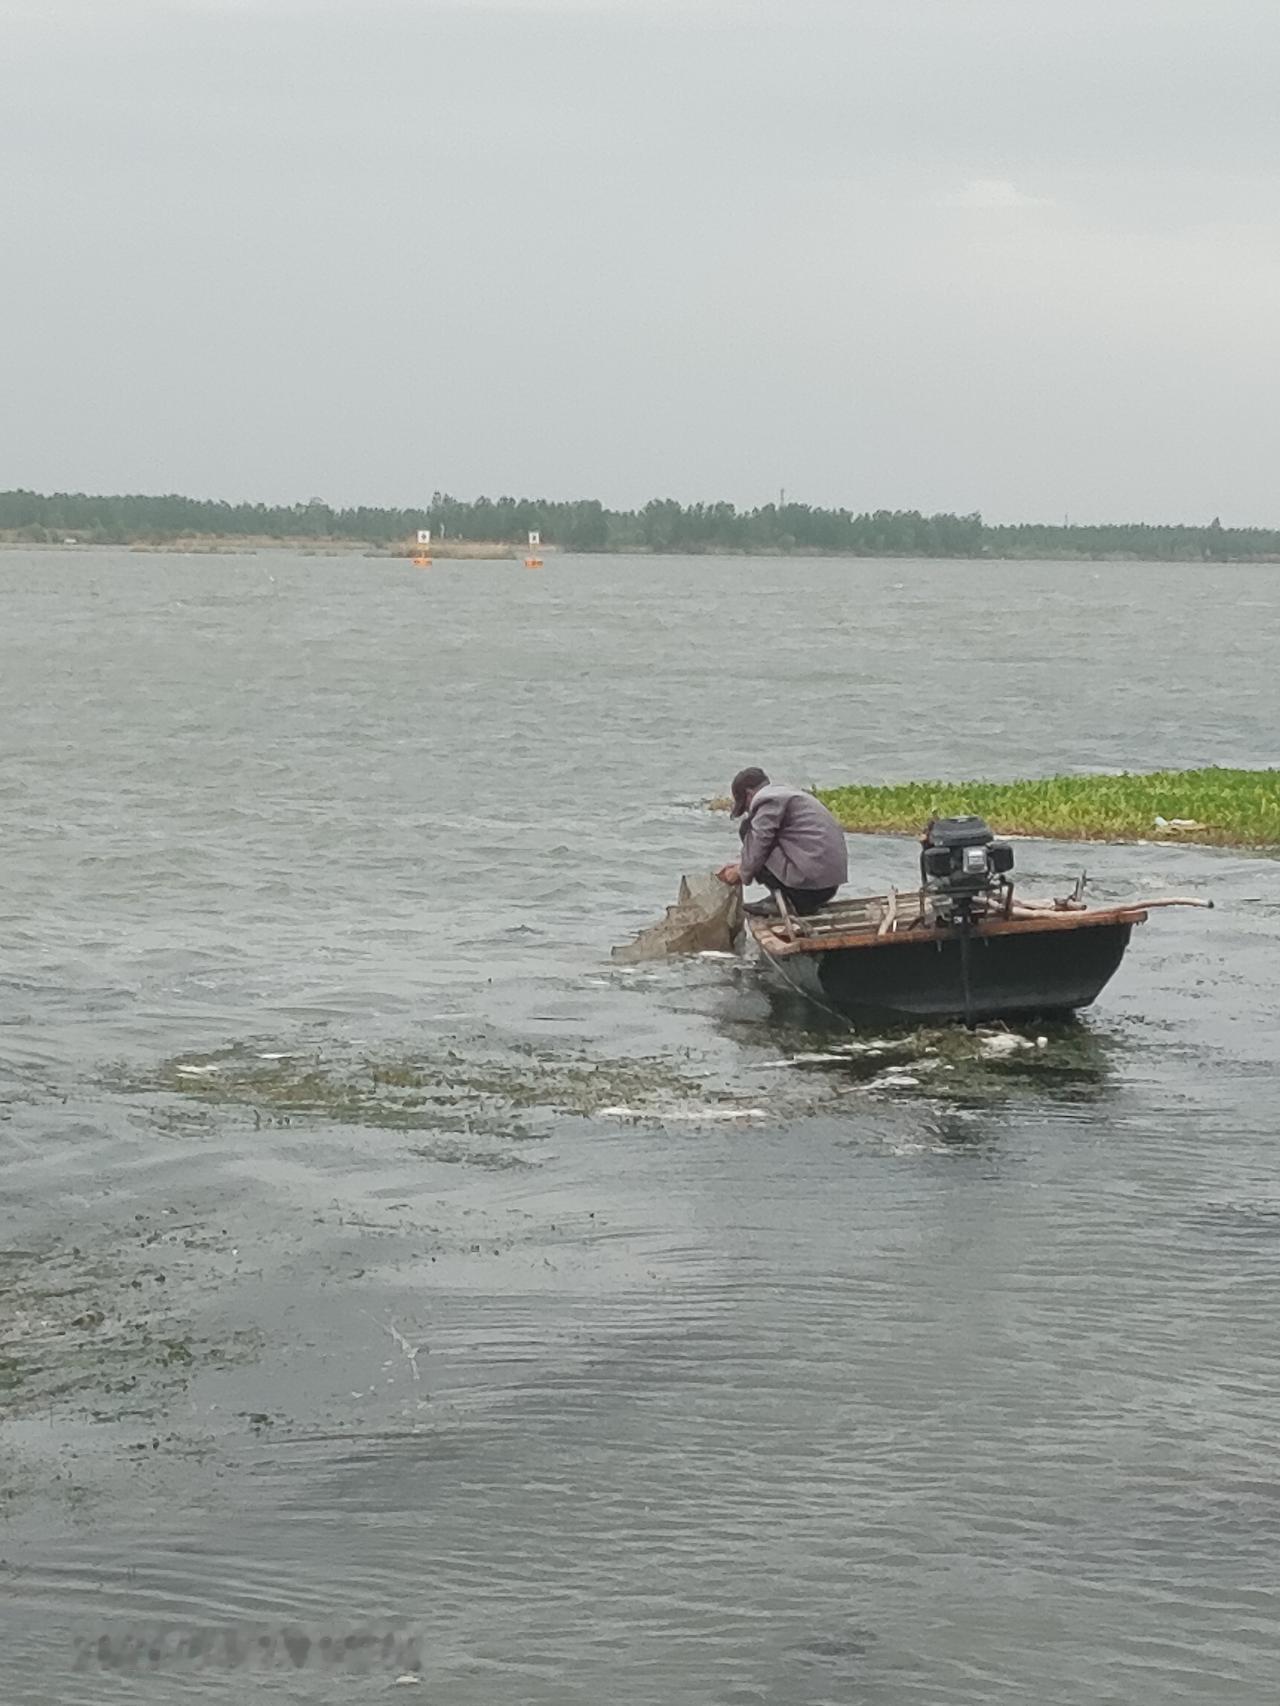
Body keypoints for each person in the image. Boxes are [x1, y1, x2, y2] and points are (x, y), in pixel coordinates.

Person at [717, 766, 848, 916]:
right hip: (828, 885)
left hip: (809, 889)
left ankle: (786, 900)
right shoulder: (786, 793)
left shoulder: (767, 800)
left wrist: (741, 872)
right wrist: (742, 864)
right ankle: (784, 898)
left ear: (749, 794)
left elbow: (760, 841)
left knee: (747, 829)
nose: (748, 811)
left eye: (745, 807)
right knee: (755, 843)